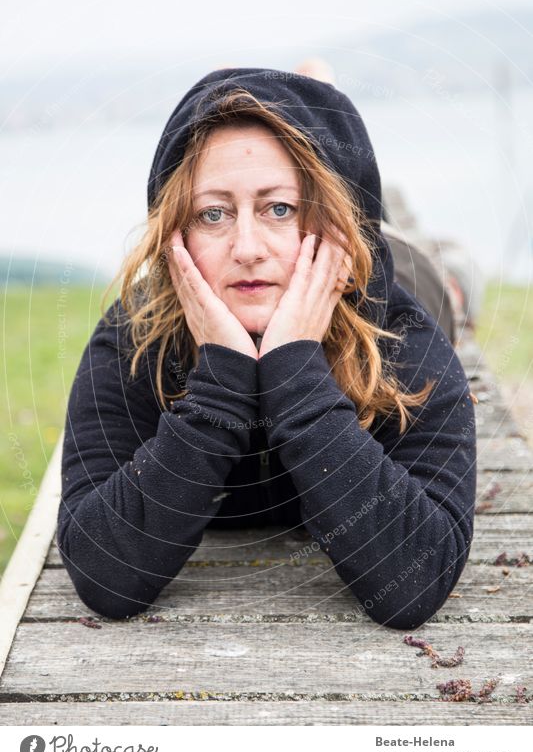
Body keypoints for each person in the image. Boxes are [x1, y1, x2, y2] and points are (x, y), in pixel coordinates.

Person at [58, 67, 477, 630]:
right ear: (174, 234)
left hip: (398, 277)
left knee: (439, 272)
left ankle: (331, 132)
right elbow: (104, 577)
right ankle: (301, 99)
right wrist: (221, 382)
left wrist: (296, 367)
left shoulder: (404, 337)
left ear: (332, 224)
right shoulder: (132, 343)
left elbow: (415, 584)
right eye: (214, 213)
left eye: (280, 208)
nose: (247, 249)